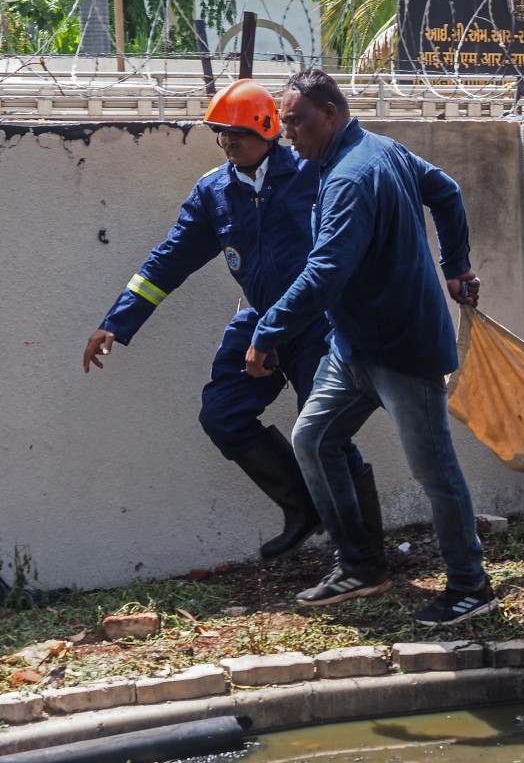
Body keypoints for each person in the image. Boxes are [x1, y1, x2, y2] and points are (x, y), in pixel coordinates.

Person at [82, 79, 376, 562]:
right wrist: (117, 322)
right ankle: (304, 509)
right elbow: (168, 261)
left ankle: (365, 555)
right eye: (221, 132)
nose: (227, 141)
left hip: (318, 322)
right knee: (223, 414)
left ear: (269, 128)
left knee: (327, 434)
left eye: (238, 131)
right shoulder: (214, 192)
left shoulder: (312, 171)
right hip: (260, 321)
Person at [245, 70, 494, 625]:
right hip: (354, 346)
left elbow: (326, 271)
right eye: (283, 125)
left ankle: (471, 585)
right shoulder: (375, 151)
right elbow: (447, 193)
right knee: (312, 439)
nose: (288, 136)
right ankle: (360, 563)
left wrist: (268, 331)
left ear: (329, 114)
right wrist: (456, 266)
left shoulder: (352, 177)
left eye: (295, 122)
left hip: (403, 348)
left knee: (435, 471)